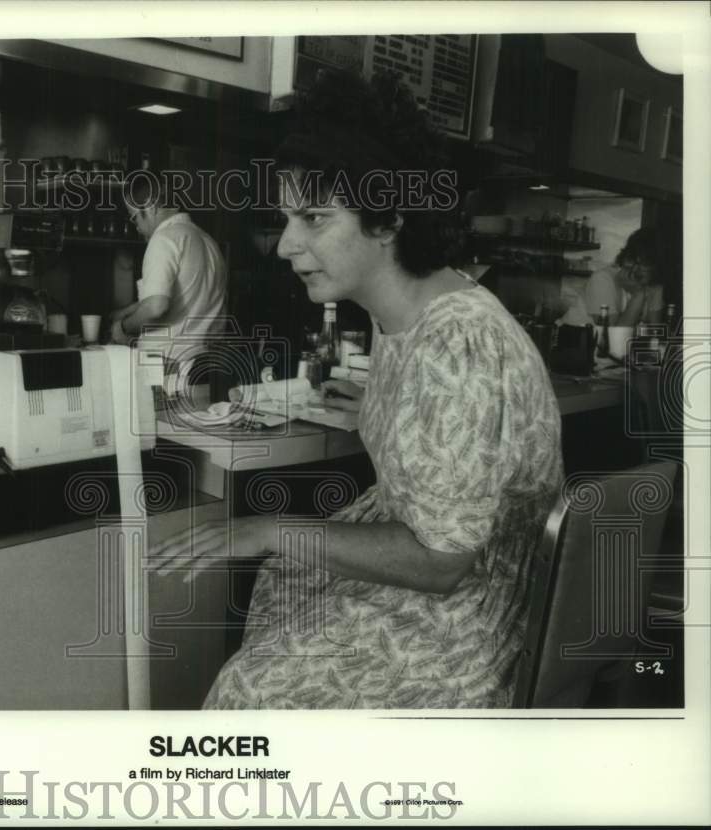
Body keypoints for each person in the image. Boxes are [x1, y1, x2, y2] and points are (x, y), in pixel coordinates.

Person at [149, 68, 564, 709]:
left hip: (469, 619)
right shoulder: (405, 315)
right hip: (450, 579)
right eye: (288, 217)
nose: (288, 244)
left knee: (250, 692)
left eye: (314, 217)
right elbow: (455, 444)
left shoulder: (458, 344)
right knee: (283, 584)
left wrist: (270, 528)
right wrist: (382, 407)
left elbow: (441, 561)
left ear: (389, 217)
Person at [109, 172, 228, 379]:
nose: (136, 227)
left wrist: (122, 327)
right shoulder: (208, 241)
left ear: (151, 207)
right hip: (204, 366)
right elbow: (183, 295)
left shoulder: (163, 239)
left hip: (166, 366)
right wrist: (129, 311)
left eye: (135, 218)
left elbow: (157, 306)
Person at [561, 227, 665, 327]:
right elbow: (611, 339)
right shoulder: (602, 279)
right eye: (644, 261)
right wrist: (638, 294)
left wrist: (654, 292)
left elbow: (655, 333)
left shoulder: (652, 283)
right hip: (571, 339)